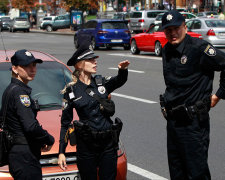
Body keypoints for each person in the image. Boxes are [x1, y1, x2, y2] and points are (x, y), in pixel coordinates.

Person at [160, 10, 225, 180]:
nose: (173, 33)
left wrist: (219, 94)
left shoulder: (199, 48)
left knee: (196, 174)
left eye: (176, 28)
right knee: (177, 172)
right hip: (173, 123)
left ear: (185, 26)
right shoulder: (167, 50)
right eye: (168, 30)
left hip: (193, 124)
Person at [58, 40, 130, 180]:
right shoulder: (71, 91)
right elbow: (65, 123)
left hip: (108, 144)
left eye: (95, 59)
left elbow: (118, 81)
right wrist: (62, 152)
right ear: (79, 64)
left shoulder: (100, 82)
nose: (95, 62)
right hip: (87, 147)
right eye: (90, 60)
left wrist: (122, 70)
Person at [0, 49, 55, 180]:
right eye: (26, 66)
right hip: (25, 156)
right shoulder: (20, 93)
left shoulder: (10, 90)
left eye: (34, 65)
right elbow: (30, 126)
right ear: (15, 68)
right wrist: (48, 139)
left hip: (18, 153)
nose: (32, 69)